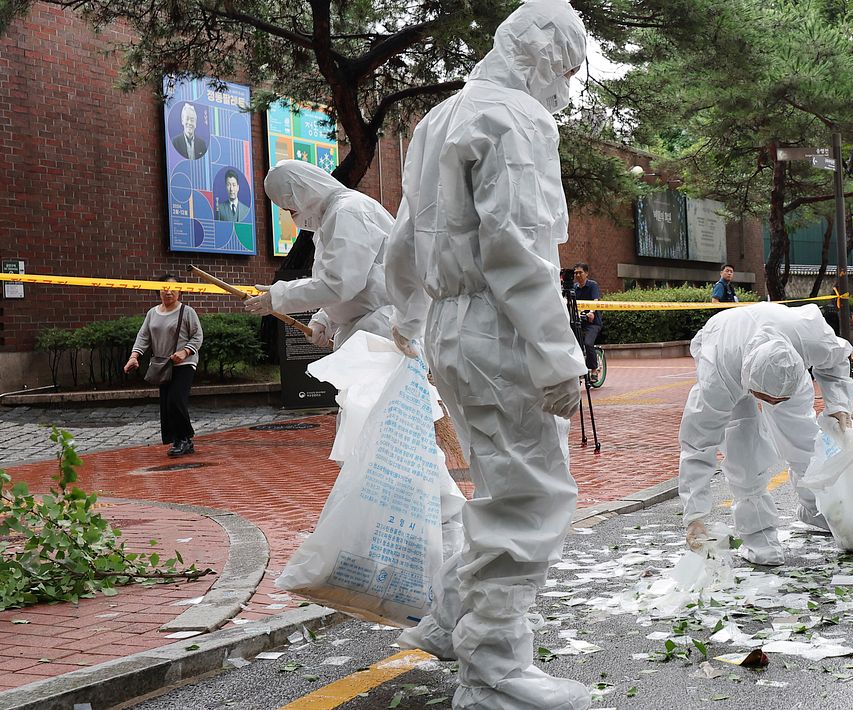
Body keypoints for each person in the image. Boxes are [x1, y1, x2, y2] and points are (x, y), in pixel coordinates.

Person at [382, 2, 590, 708]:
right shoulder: (517, 118)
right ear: (543, 52)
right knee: (530, 496)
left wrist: (410, 316)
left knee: (500, 487)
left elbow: (405, 235)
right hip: (498, 327)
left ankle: (450, 621)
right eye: (566, 67)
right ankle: (493, 670)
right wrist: (557, 354)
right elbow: (519, 246)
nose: (565, 84)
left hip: (450, 324)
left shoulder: (439, 118)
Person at [680, 302, 853, 566]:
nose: (772, 405)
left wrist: (839, 405)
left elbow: (837, 360)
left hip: (783, 354)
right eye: (766, 398)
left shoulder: (810, 338)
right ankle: (759, 538)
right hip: (727, 351)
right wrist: (695, 517)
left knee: (804, 441)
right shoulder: (718, 376)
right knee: (744, 451)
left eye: (779, 400)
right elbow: (698, 445)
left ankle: (816, 508)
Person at [243, 159, 394, 350]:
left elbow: (339, 285)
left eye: (289, 208)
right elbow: (350, 285)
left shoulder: (348, 212)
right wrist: (325, 320)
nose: (291, 215)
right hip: (368, 330)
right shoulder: (332, 219)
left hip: (383, 330)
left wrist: (281, 296)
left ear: (300, 193)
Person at [124, 276, 204, 457]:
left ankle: (184, 439)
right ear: (158, 291)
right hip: (162, 364)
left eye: (173, 288)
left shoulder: (187, 312)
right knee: (167, 404)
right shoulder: (152, 313)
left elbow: (197, 336)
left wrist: (185, 352)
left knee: (176, 400)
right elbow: (143, 337)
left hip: (184, 364)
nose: (168, 291)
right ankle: (180, 440)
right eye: (164, 288)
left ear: (180, 291)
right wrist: (134, 357)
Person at [571, 262, 602, 379]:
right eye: (576, 273)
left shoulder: (592, 285)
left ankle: (594, 370)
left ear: (586, 273)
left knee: (588, 344)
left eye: (580, 272)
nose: (578, 275)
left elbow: (595, 300)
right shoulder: (574, 288)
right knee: (573, 345)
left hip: (593, 323)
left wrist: (592, 312)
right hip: (579, 321)